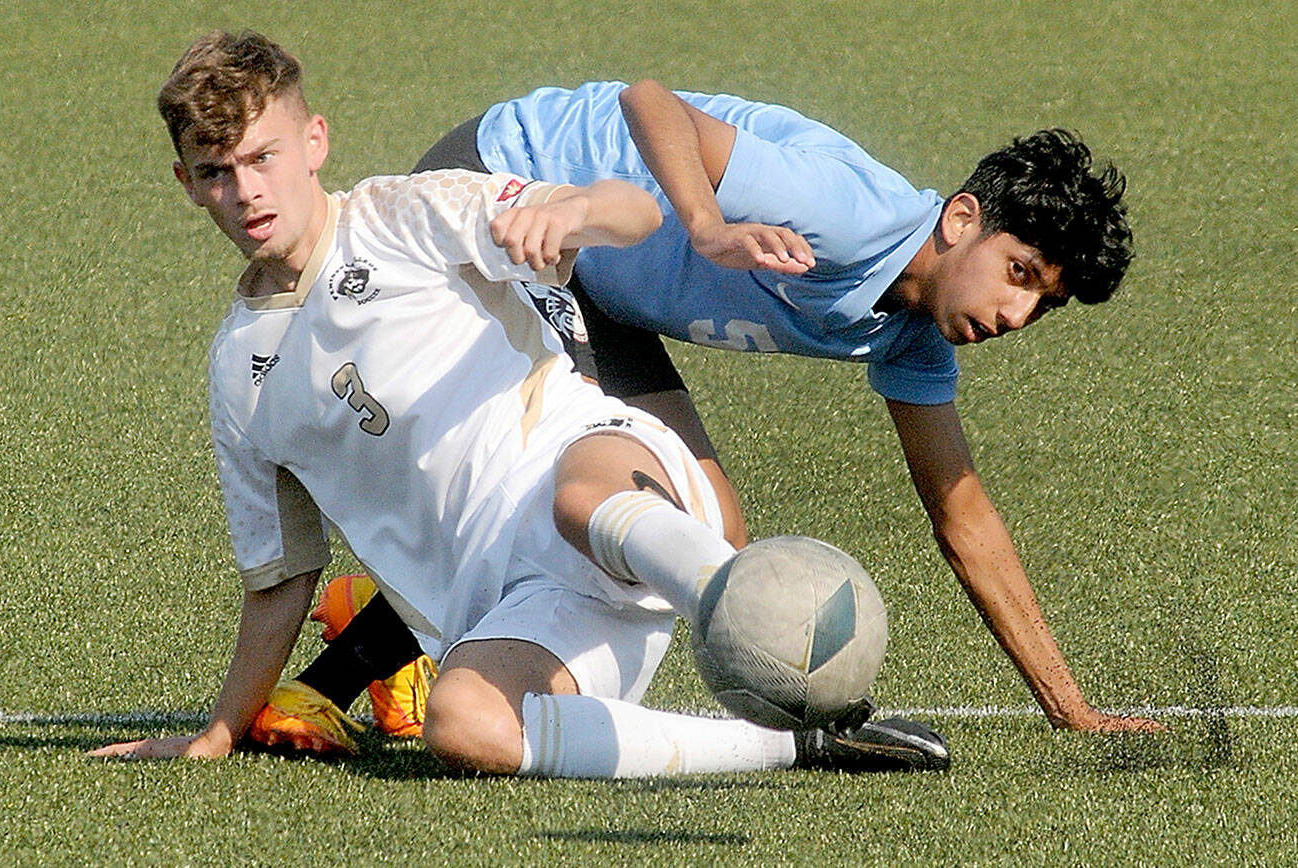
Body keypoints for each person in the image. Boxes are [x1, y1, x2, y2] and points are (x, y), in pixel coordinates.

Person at [90, 31, 950, 776]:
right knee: (463, 729)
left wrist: (576, 207)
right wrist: (217, 732)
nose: (247, 191)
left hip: (597, 463)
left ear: (314, 141)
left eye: (263, 156)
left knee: (577, 496)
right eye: (217, 171)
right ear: (188, 182)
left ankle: (757, 611)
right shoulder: (238, 370)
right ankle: (799, 746)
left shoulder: (402, 214)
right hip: (528, 611)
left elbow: (632, 212)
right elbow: (280, 579)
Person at [252, 77, 1164, 750]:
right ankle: (330, 684)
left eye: (1043, 304)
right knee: (556, 488)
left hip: (598, 288)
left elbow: (962, 514)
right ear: (963, 219)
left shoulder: (915, 336)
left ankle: (376, 626)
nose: (1016, 316)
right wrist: (704, 223)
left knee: (706, 523)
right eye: (1020, 275)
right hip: (512, 195)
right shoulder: (848, 217)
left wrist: (1071, 706)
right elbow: (652, 102)